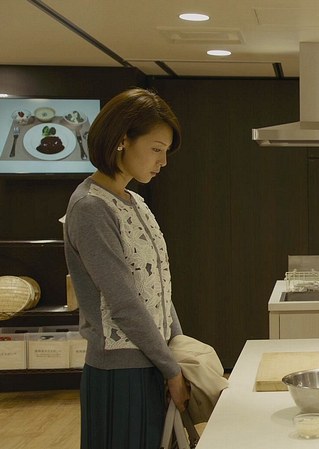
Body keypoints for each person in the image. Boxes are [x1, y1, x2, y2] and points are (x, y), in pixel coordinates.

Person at [63, 88, 189, 448]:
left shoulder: (134, 201)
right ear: (122, 140)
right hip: (121, 373)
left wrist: (176, 351)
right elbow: (124, 303)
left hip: (153, 361)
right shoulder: (91, 208)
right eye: (156, 149)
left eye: (166, 151)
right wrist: (171, 367)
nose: (163, 161)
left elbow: (157, 286)